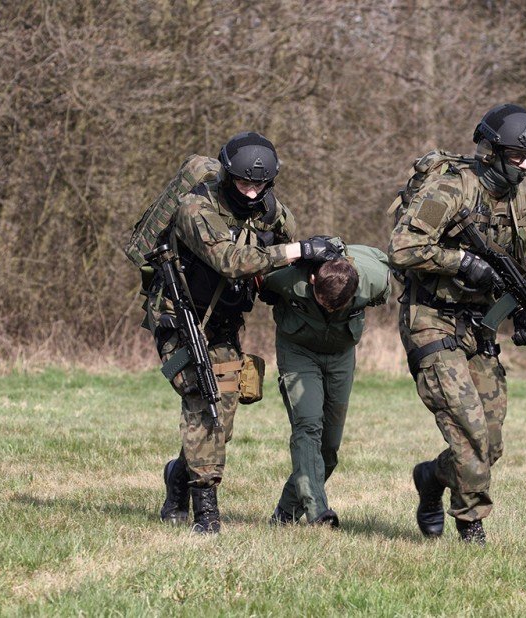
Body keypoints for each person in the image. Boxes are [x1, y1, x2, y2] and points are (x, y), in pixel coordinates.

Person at [388, 104, 526, 544]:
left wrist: (525, 310)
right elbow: (401, 248)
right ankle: (470, 524)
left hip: (479, 327)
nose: (525, 166)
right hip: (432, 320)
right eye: (517, 157)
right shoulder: (453, 188)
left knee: (490, 443)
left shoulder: (522, 202)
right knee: (469, 431)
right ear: (492, 150)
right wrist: (460, 261)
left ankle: (432, 477)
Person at [148, 131, 305, 534]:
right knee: (203, 402)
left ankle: (178, 476)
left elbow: (287, 249)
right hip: (181, 319)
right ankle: (205, 511)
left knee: (224, 420)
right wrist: (297, 251)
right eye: (243, 183)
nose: (251, 193)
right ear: (228, 176)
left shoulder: (270, 210)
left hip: (224, 322)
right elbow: (230, 261)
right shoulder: (196, 208)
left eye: (260, 185)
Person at [262, 237, 391, 527]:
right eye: (325, 304)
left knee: (328, 450)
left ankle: (284, 515)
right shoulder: (289, 279)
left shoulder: (373, 278)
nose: (332, 310)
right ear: (311, 281)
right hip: (298, 352)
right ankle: (318, 512)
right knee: (308, 426)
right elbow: (255, 271)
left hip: (341, 356)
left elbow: (392, 267)